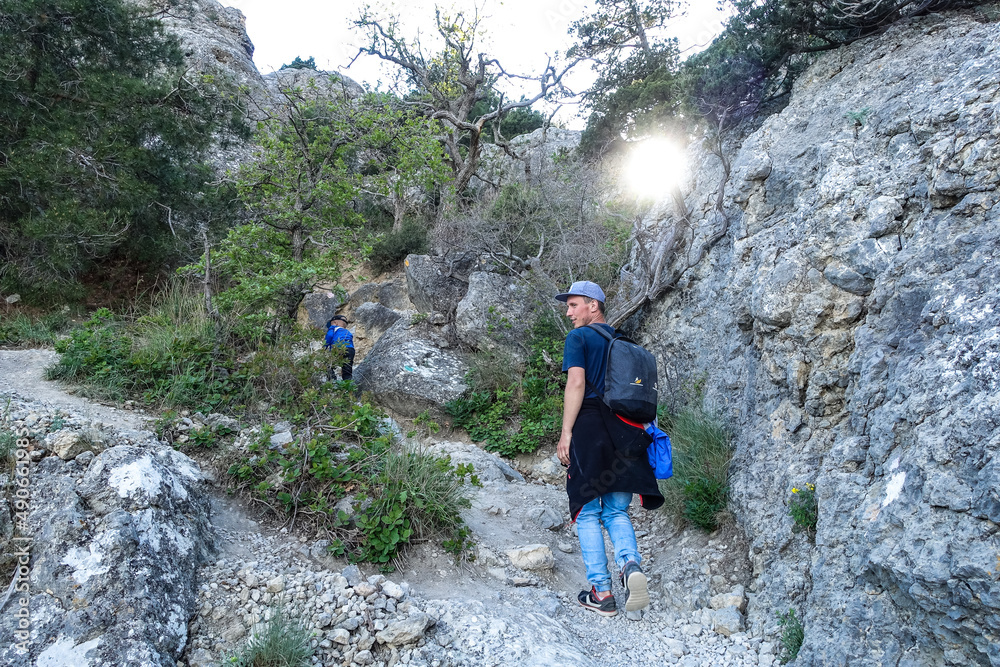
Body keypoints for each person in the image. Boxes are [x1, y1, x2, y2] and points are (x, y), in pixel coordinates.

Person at [555, 280, 664, 617]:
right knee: (616, 511)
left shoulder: (579, 338)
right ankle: (630, 566)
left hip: (590, 430)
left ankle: (602, 592)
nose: (569, 313)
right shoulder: (624, 342)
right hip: (627, 434)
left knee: (587, 512)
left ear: (593, 305)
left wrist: (566, 433)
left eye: (574, 305)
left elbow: (576, 382)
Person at [324, 315, 355, 382]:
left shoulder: (333, 328)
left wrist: (325, 347)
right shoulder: (347, 332)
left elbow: (329, 336)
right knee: (347, 367)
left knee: (328, 364)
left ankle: (332, 380)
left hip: (338, 348)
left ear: (335, 323)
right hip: (350, 349)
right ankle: (347, 382)